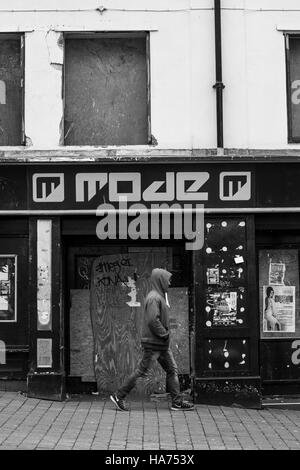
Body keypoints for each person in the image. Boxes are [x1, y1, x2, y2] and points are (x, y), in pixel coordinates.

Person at [110, 268, 194, 412]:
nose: (169, 282)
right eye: (167, 279)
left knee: (172, 370)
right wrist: (164, 334)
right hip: (154, 343)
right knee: (141, 371)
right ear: (160, 280)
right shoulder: (154, 297)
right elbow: (152, 320)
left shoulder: (160, 296)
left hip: (161, 344)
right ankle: (119, 395)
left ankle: (177, 402)